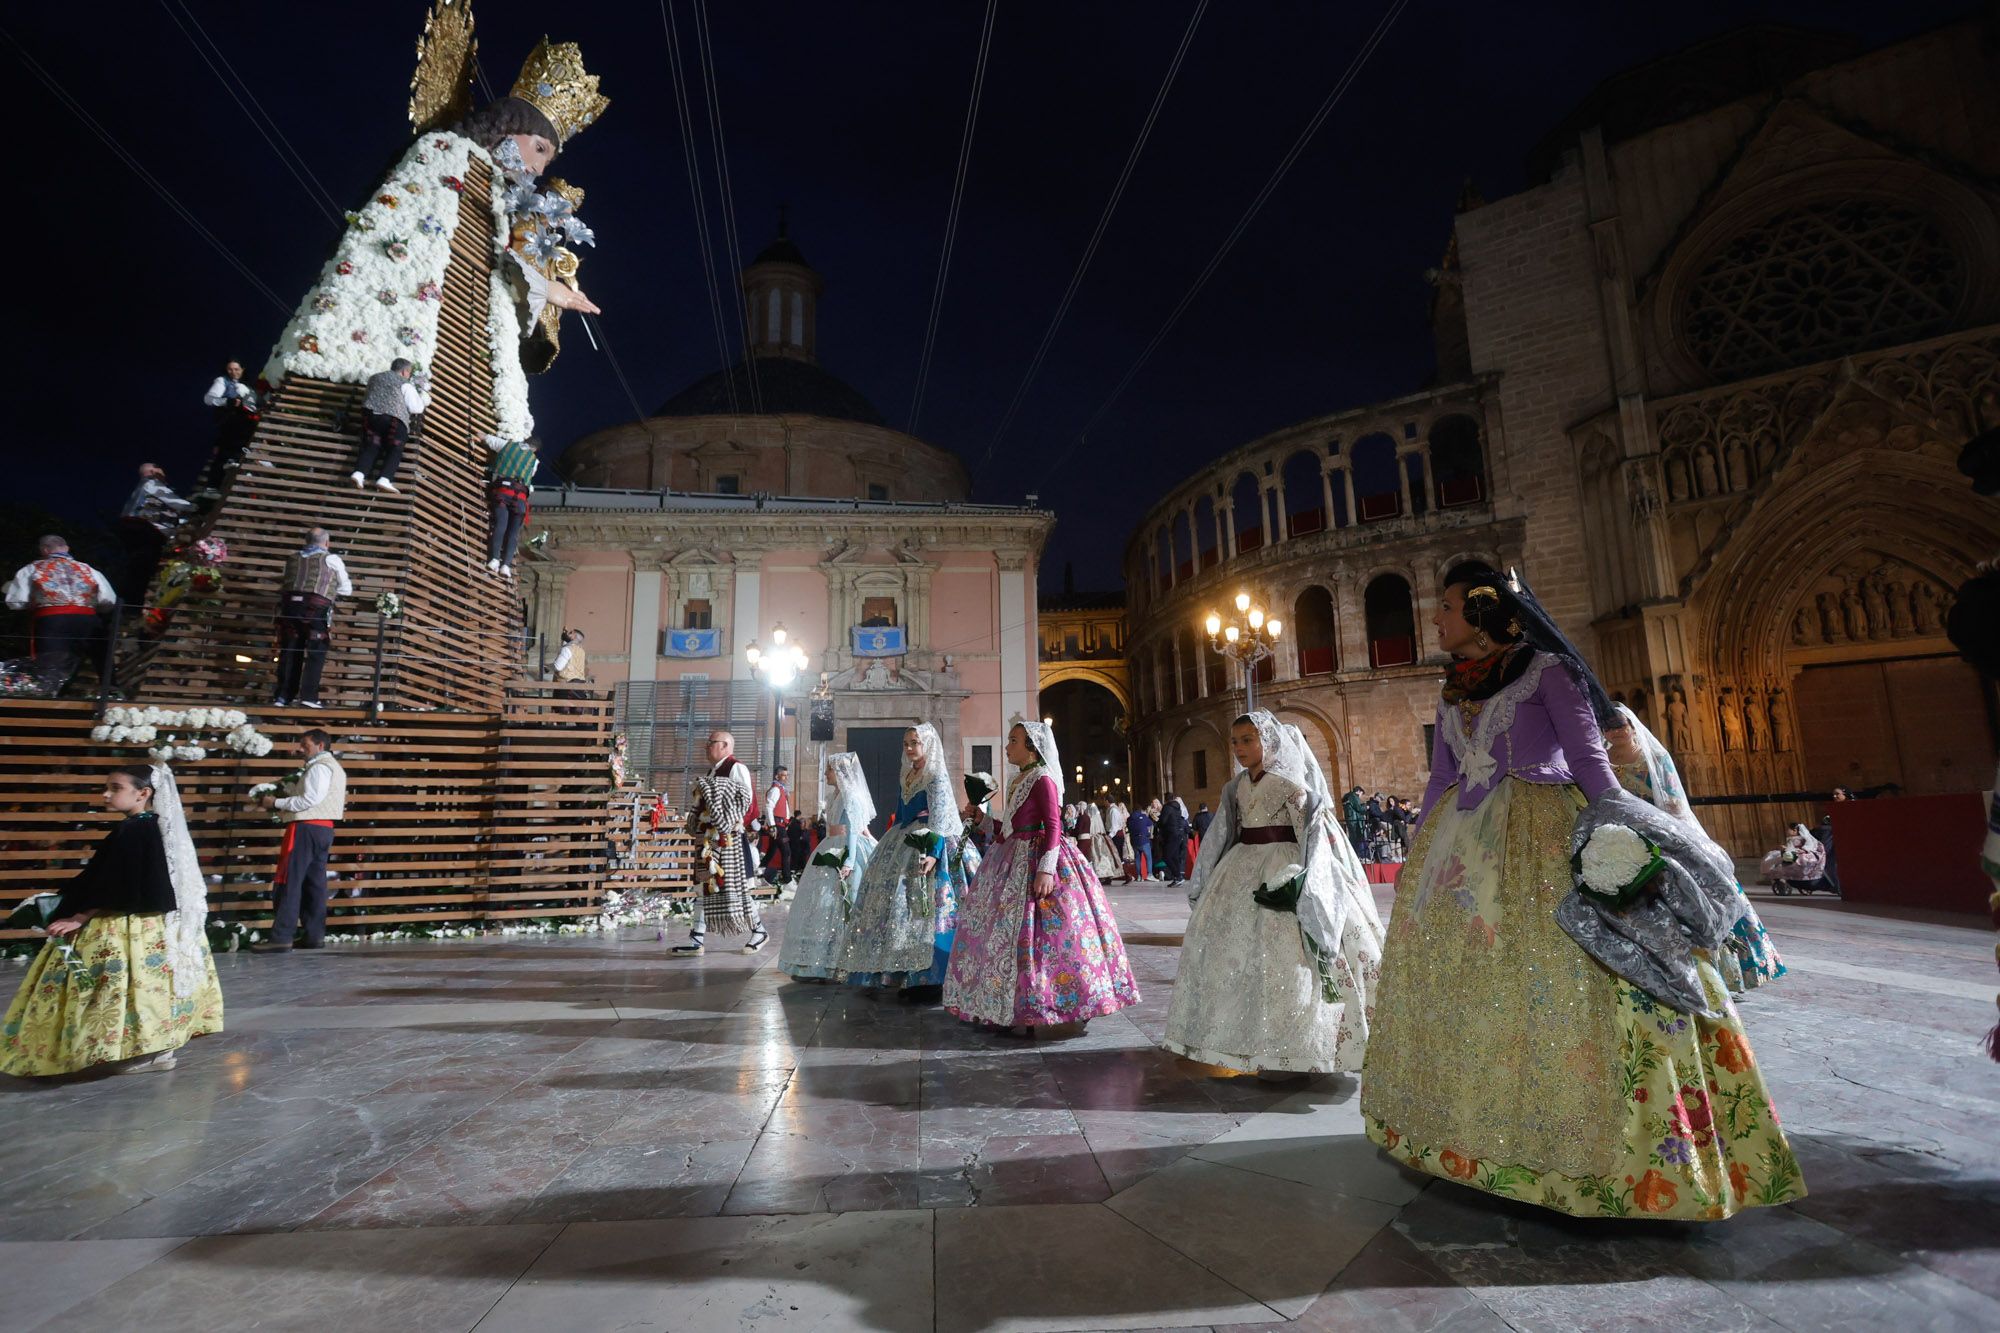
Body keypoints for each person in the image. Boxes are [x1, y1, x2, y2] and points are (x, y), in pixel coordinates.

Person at [1360, 562, 1802, 1219]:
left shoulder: (1549, 673)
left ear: (1481, 611)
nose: (1436, 617)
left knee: (1572, 985)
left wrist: (1636, 852)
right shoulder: (1451, 692)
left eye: (1447, 605)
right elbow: (1439, 781)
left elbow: (1593, 767)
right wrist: (1417, 863)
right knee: (1468, 988)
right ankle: (1473, 1140)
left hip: (1544, 837)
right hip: (1460, 858)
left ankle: (1602, 1158)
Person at [1163, 712, 1383, 1078]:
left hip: (1282, 868)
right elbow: (1226, 831)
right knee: (1232, 955)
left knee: (1285, 957)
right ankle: (1244, 1038)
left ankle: (1292, 1047)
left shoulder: (1290, 786)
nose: (1239, 748)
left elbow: (1309, 837)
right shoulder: (1237, 786)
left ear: (1269, 740)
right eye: (1235, 742)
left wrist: (1302, 880)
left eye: (1248, 740)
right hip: (1240, 869)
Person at [0, 762, 224, 1076]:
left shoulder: (133, 830)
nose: (106, 794)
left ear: (143, 793)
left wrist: (79, 915)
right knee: (147, 988)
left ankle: (133, 1050)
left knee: (112, 988)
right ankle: (158, 1049)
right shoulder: (158, 827)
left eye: (116, 788)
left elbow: (116, 883)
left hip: (124, 922)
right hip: (154, 925)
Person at [945, 718, 1140, 1037]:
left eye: (1012, 740)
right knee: (1006, 937)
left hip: (1039, 859)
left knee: (1048, 938)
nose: (1007, 746)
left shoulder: (1043, 778)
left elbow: (1053, 826)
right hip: (1010, 860)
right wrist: (981, 819)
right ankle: (1006, 1004)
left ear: (1031, 747)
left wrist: (1046, 869)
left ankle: (1056, 1002)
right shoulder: (1019, 778)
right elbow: (1006, 831)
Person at [1605, 706, 1786, 992]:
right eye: (1607, 726)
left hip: (1663, 830)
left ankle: (1724, 973)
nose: (1614, 731)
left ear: (1632, 724)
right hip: (1624, 837)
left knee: (1700, 892)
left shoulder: (1656, 757)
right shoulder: (1602, 759)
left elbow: (1673, 800)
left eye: (1619, 725)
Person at [837, 722, 963, 1003]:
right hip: (902, 839)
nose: (909, 748)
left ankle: (929, 978)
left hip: (929, 841)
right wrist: (887, 841)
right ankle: (898, 971)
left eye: (914, 743)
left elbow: (941, 819)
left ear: (927, 744)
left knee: (927, 911)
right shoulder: (907, 774)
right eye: (906, 743)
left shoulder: (935, 776)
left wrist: (933, 853)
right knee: (898, 910)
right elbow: (899, 813)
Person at [778, 753, 875, 983]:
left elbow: (854, 829)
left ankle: (842, 962)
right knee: (821, 902)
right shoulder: (835, 796)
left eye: (829, 770)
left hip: (845, 848)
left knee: (841, 902)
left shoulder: (851, 796)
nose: (825, 774)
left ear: (840, 772)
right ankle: (817, 961)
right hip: (829, 846)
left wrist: (850, 860)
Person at [673, 730, 768, 954]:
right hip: (710, 841)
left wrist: (726, 829)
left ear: (725, 745)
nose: (706, 746)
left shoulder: (736, 768)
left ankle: (759, 931)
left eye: (711, 743)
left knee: (738, 890)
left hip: (729, 842)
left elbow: (746, 803)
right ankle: (696, 940)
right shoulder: (713, 771)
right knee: (704, 887)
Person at [255, 728, 347, 951]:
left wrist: (275, 803)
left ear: (320, 746)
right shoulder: (336, 768)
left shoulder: (318, 768)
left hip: (305, 827)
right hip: (324, 828)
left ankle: (281, 936)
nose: (300, 748)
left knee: (290, 881)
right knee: (314, 883)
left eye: (305, 744)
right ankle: (314, 935)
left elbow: (309, 800)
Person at [5, 535, 117, 694]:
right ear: (67, 548)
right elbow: (108, 600)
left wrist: (34, 603)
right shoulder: (88, 569)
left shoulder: (32, 569)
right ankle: (112, 692)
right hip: (87, 620)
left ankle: (48, 700)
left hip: (52, 621)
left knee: (51, 663)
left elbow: (16, 602)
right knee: (100, 657)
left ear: (44, 550)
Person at [272, 528, 352, 708]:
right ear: (327, 543)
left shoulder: (292, 559)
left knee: (290, 650)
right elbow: (346, 589)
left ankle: (283, 697)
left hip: (289, 609)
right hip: (315, 609)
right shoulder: (332, 559)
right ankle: (308, 697)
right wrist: (328, 590)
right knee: (316, 651)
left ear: (306, 541)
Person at [117, 463, 194, 606]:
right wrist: (196, 506)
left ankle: (128, 603)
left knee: (136, 568)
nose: (164, 472)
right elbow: (176, 502)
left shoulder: (144, 486)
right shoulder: (152, 483)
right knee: (142, 568)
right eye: (160, 468)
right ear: (152, 470)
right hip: (144, 529)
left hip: (137, 529)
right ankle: (131, 604)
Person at [350, 359, 431, 494]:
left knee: (371, 446)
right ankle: (385, 478)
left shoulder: (374, 378)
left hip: (371, 418)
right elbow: (416, 408)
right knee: (395, 448)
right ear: (405, 371)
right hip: (393, 420)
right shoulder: (405, 384)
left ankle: (359, 474)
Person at [485, 435, 540, 577]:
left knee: (500, 525)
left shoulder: (506, 445)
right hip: (520, 501)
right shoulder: (534, 460)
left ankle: (494, 559)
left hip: (502, 493)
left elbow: (485, 438)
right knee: (513, 534)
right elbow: (528, 478)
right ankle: (506, 566)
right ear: (535, 449)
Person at [202, 359, 260, 483]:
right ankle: (216, 482)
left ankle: (244, 469)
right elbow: (208, 399)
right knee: (227, 448)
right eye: (230, 369)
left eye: (236, 369)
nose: (233, 372)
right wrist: (227, 401)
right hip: (230, 418)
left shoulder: (248, 386)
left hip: (248, 421)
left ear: (242, 370)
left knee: (245, 443)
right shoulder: (223, 381)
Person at [1761, 822, 1829, 891]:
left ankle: (1783, 877)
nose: (1787, 831)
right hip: (1791, 853)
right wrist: (1785, 848)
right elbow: (1789, 848)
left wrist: (1799, 850)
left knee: (1783, 859)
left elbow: (1809, 846)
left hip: (1799, 854)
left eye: (1789, 829)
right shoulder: (1791, 839)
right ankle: (1780, 875)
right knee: (1773, 856)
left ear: (1794, 830)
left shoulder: (1805, 838)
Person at [762, 766, 793, 881]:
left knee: (771, 851)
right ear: (777, 776)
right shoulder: (775, 789)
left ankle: (759, 870)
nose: (786, 777)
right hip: (778, 826)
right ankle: (787, 879)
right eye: (784, 775)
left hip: (780, 825)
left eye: (787, 775)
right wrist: (772, 826)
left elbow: (783, 808)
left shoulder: (781, 790)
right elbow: (769, 807)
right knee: (787, 852)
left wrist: (787, 820)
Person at [1085, 799, 1122, 880]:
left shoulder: (1113, 810)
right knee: (1103, 856)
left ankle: (1100, 874)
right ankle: (1106, 874)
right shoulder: (1098, 817)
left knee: (1096, 856)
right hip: (1100, 838)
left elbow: (1091, 830)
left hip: (1095, 838)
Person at [1157, 794, 1190, 883]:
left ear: (1165, 799)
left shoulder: (1167, 807)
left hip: (1170, 834)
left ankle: (1177, 876)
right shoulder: (1177, 807)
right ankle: (1178, 877)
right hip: (1178, 833)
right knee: (1174, 856)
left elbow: (1163, 821)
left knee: (1167, 856)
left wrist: (1158, 822)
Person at [1129, 800, 1156, 881]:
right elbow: (1151, 824)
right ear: (1140, 810)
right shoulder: (1144, 817)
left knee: (1137, 858)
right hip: (1144, 839)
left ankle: (1139, 876)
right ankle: (1149, 874)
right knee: (1148, 857)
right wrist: (1150, 834)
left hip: (1134, 840)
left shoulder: (1130, 818)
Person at [1343, 785, 1368, 854]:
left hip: (1350, 819)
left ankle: (1354, 853)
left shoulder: (1347, 797)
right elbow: (1359, 808)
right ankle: (1356, 854)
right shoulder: (1353, 796)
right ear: (1358, 791)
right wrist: (1366, 807)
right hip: (1355, 820)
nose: (1360, 797)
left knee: (1353, 837)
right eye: (1361, 794)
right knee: (1355, 838)